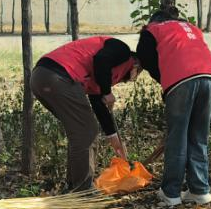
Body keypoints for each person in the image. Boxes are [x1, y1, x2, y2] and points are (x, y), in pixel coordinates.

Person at [136, 7, 211, 207]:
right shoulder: (191, 27)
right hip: (210, 77)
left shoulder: (152, 29)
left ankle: (171, 193)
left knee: (177, 137)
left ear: (154, 20)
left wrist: (163, 76)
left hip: (180, 80)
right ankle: (200, 190)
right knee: (199, 136)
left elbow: (144, 57)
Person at [32, 37, 140, 191]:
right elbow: (101, 60)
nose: (132, 79)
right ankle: (83, 191)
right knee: (86, 132)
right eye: (137, 73)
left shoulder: (98, 74)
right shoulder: (121, 50)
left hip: (41, 77)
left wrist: (115, 141)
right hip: (59, 77)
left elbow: (99, 104)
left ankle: (72, 186)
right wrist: (107, 92)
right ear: (135, 65)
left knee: (80, 132)